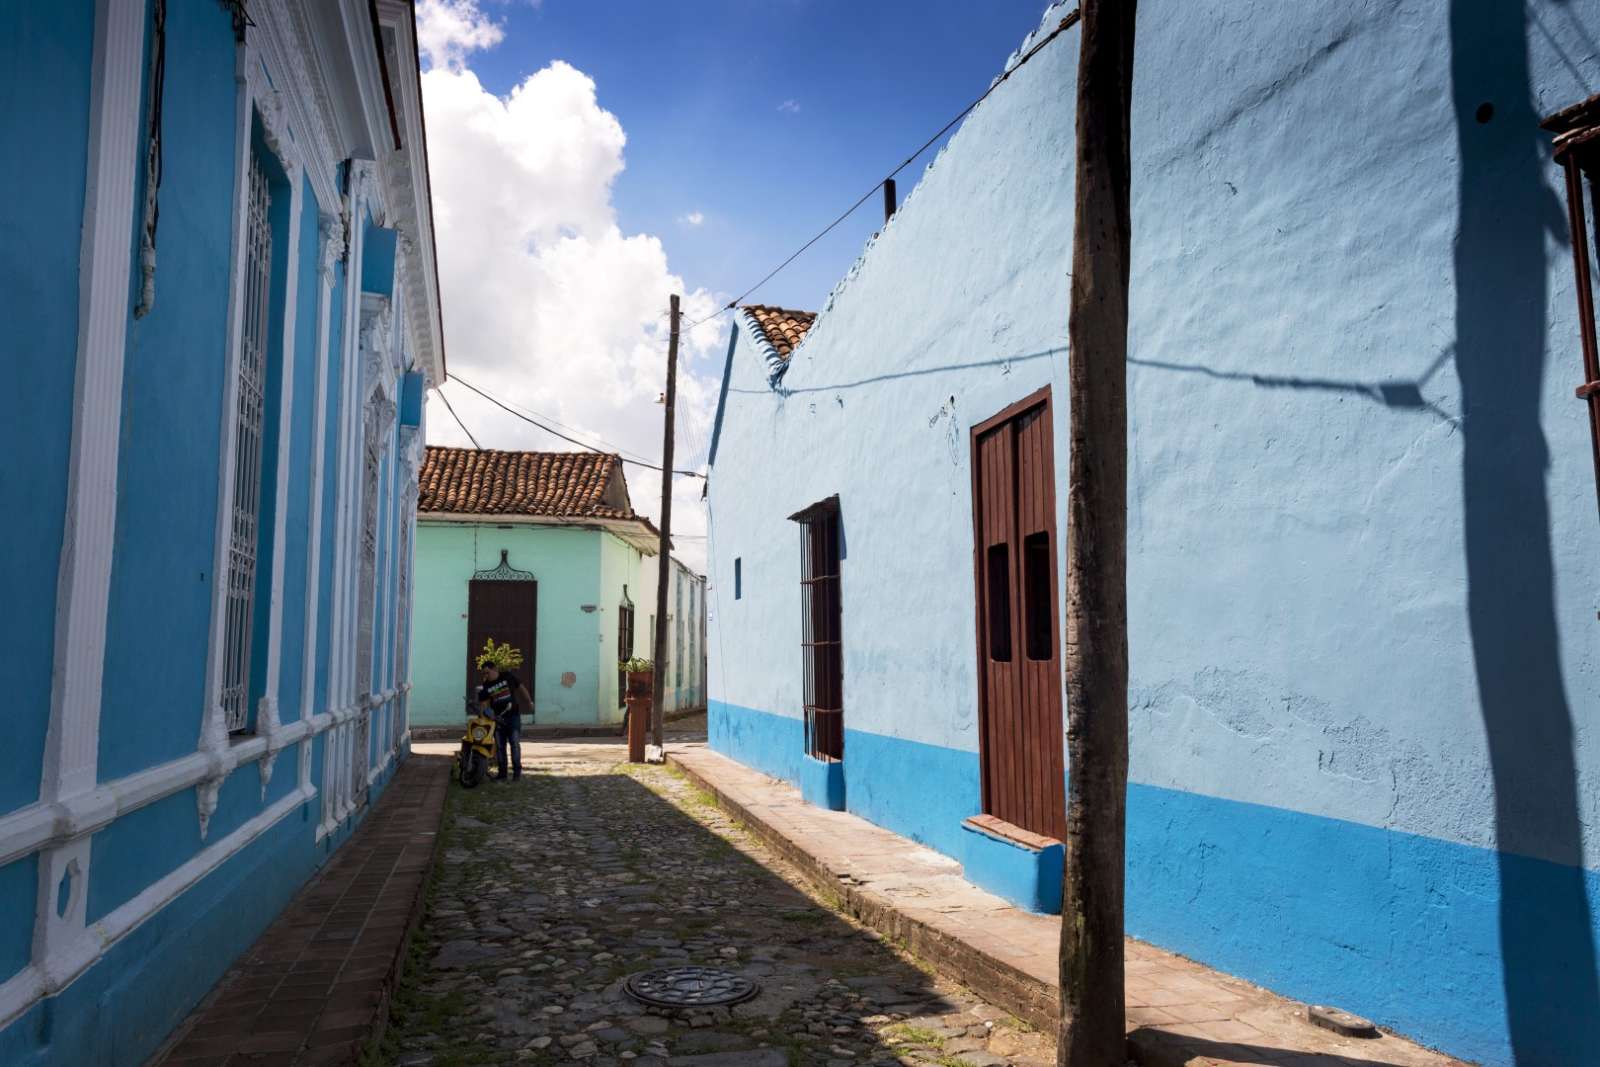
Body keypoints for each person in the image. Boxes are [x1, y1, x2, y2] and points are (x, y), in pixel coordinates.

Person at [476, 663, 531, 781]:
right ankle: (502, 774)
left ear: (494, 669)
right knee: (500, 747)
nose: (486, 675)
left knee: (514, 744)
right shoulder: (486, 685)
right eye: (483, 673)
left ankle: (517, 773)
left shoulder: (507, 676)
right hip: (498, 719)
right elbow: (483, 703)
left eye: (487, 672)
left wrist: (529, 701)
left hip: (513, 716)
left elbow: (521, 687)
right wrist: (483, 716)